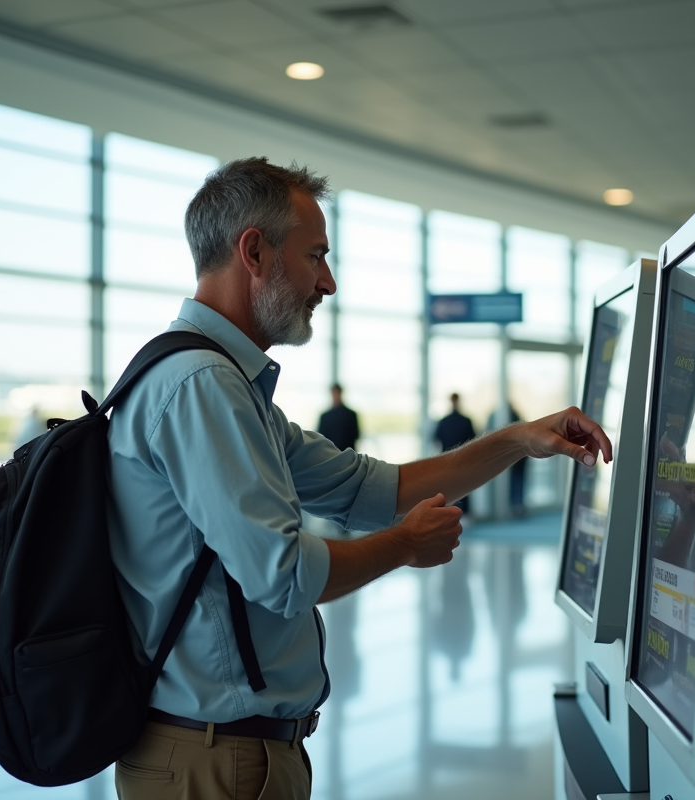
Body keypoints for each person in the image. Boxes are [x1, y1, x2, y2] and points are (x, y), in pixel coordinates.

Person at [107, 158, 611, 800]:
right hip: (212, 762)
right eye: (315, 255)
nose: (329, 281)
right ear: (254, 251)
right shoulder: (202, 387)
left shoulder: (225, 386)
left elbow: (372, 488)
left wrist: (518, 439)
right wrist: (404, 546)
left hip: (227, 751)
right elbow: (282, 575)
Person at [433, 393, 477, 515]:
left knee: (451, 488)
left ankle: (452, 513)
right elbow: (474, 440)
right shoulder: (466, 421)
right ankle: (464, 513)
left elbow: (436, 439)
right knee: (464, 487)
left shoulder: (444, 421)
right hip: (463, 459)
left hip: (447, 460)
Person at [317, 383, 359, 453]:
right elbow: (320, 437)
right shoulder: (324, 416)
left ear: (341, 393)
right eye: (334, 393)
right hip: (329, 454)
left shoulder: (351, 415)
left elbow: (355, 435)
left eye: (337, 393)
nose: (335, 396)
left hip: (347, 454)